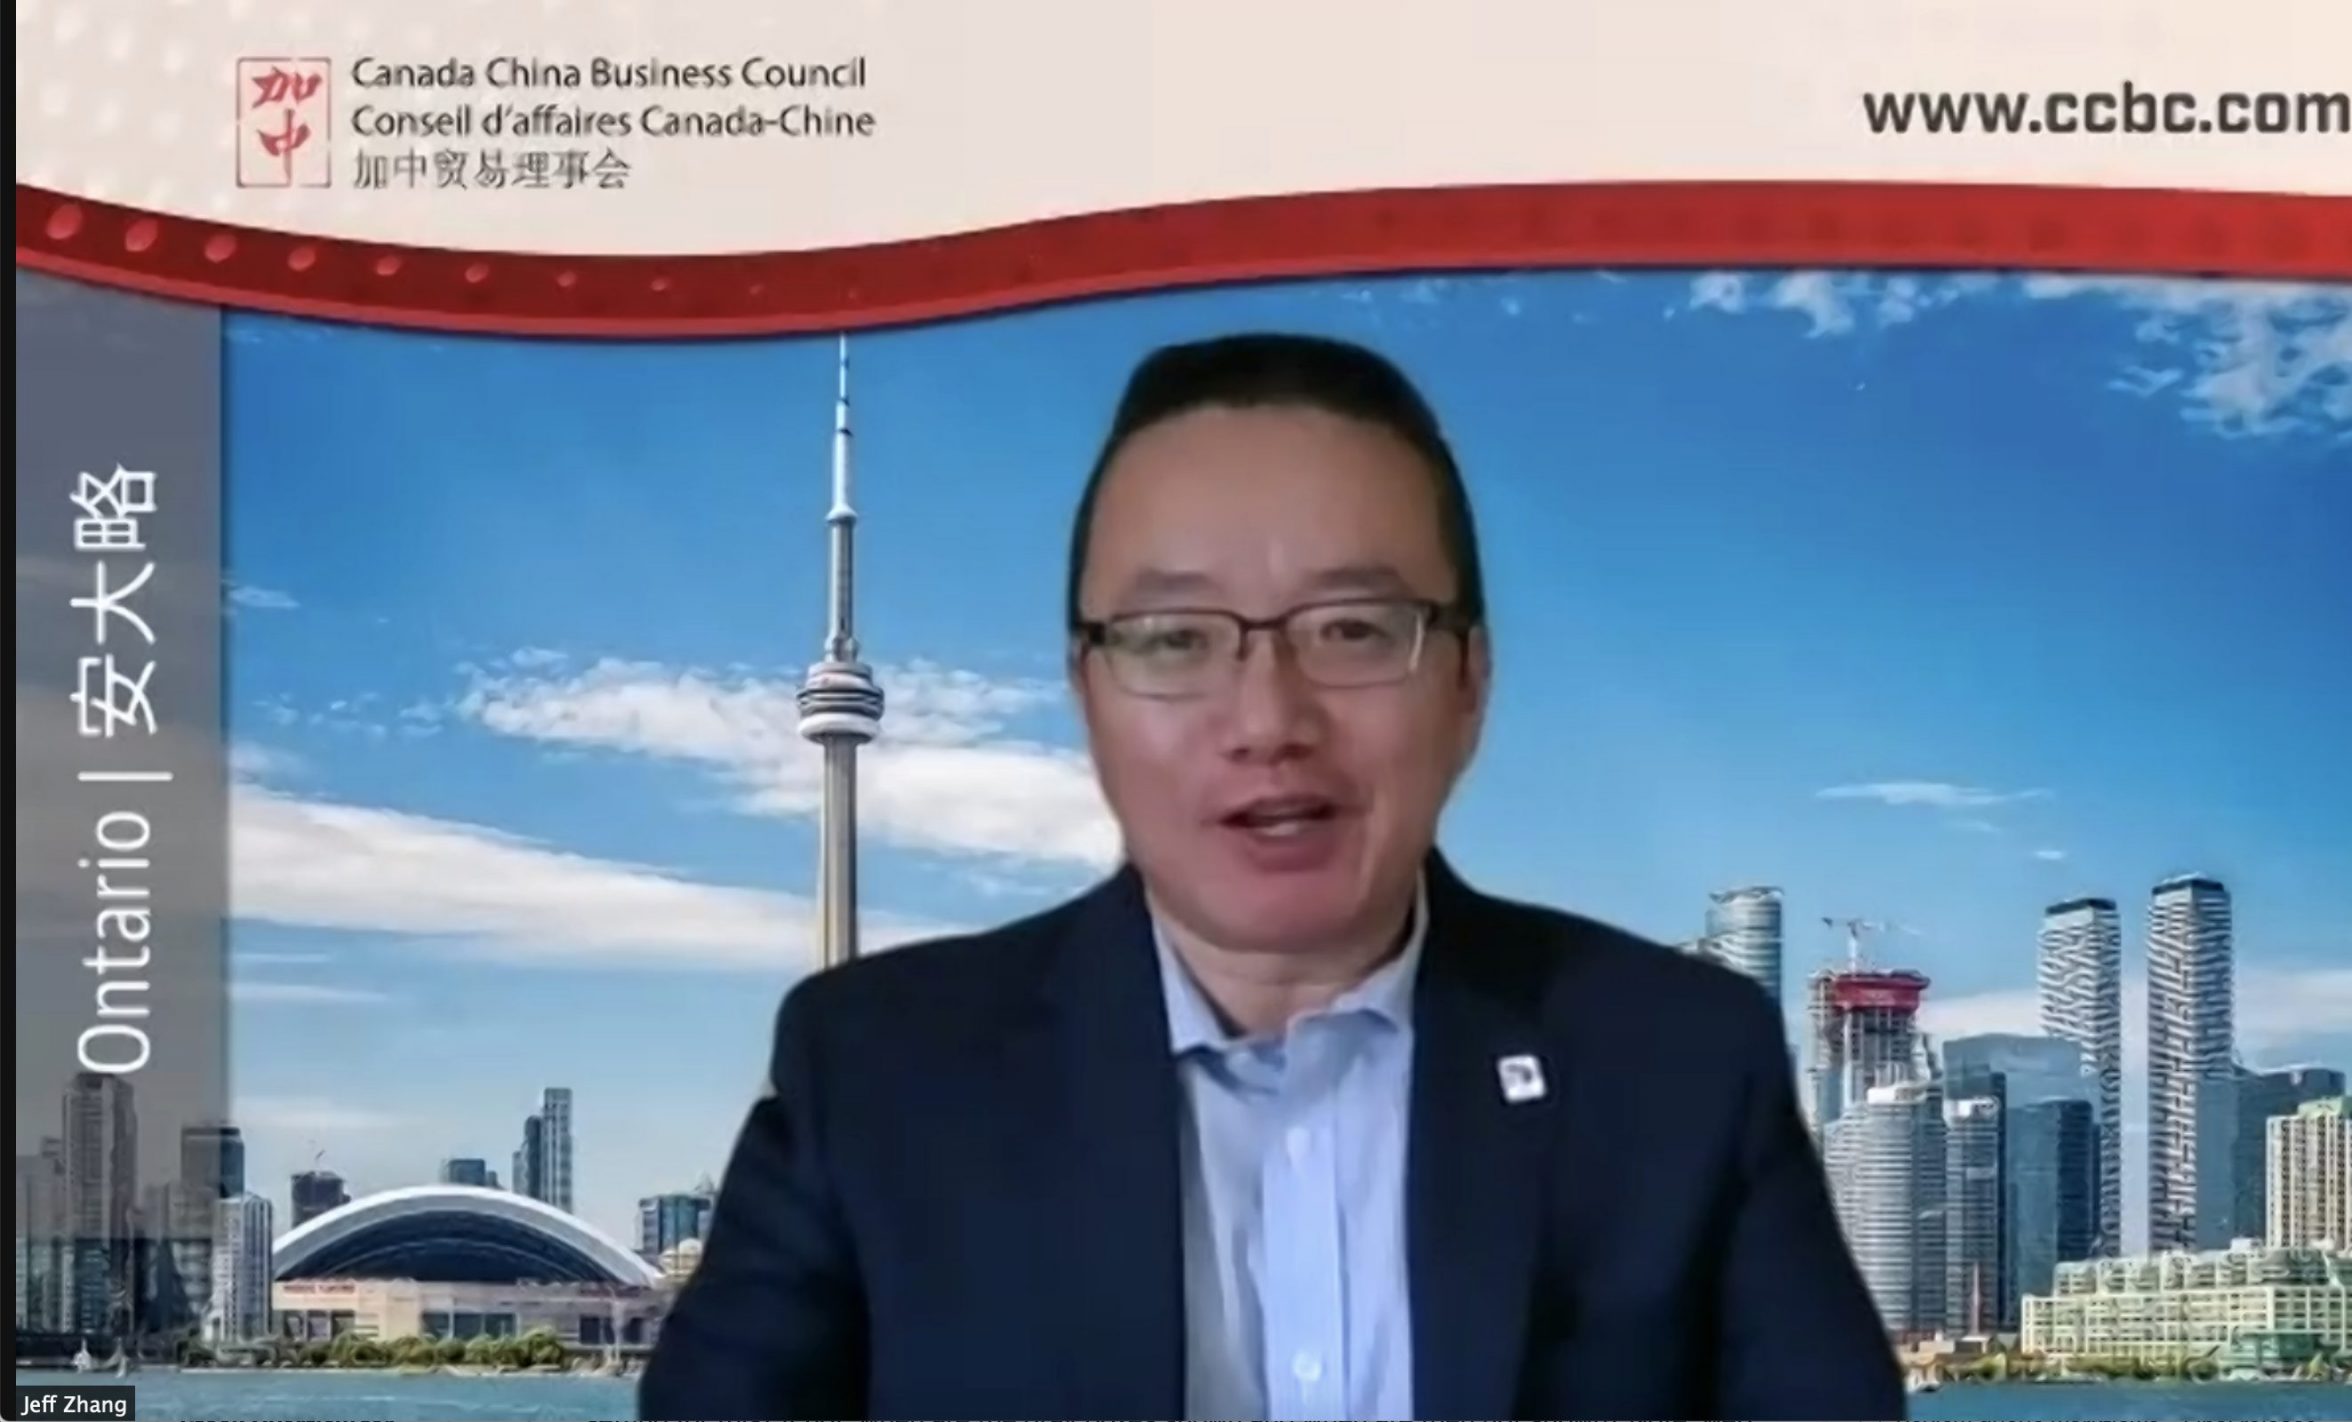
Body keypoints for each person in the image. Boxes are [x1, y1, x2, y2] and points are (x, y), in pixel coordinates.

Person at [639, 332, 1904, 1421]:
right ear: (1086, 690)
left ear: (1470, 683)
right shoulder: (875, 1078)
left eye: (1352, 629)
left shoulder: (1681, 1069)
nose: (1266, 719)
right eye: (1173, 639)